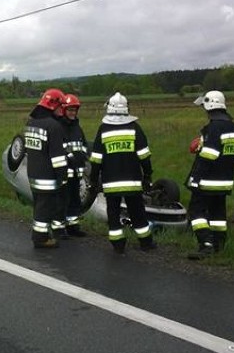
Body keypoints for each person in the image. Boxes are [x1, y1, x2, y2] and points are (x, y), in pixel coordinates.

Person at [88, 92, 157, 254]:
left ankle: (118, 245)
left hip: (111, 183)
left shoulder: (103, 129)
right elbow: (144, 156)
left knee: (113, 212)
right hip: (132, 181)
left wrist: (92, 181)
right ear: (126, 109)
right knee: (137, 212)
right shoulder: (135, 128)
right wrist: (148, 176)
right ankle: (146, 243)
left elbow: (96, 159)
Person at [185, 90, 234, 259]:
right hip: (224, 181)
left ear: (210, 106)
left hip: (207, 180)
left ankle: (205, 244)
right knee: (218, 215)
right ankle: (219, 245)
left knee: (196, 212)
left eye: (204, 107)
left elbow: (208, 156)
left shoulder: (213, 128)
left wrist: (195, 178)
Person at [25, 88, 68, 248]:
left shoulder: (31, 123)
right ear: (52, 105)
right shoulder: (53, 126)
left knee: (39, 206)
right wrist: (63, 176)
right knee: (45, 208)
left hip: (33, 174)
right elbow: (57, 157)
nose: (62, 110)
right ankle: (40, 238)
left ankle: (41, 234)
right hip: (47, 177)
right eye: (60, 106)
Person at [58, 94, 89, 237]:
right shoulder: (59, 127)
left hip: (77, 171)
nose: (73, 113)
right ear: (64, 110)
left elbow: (83, 145)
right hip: (64, 172)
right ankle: (60, 228)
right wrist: (70, 158)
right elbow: (59, 148)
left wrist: (83, 156)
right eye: (70, 110)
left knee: (75, 200)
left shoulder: (77, 127)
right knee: (64, 200)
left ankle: (73, 226)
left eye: (75, 110)